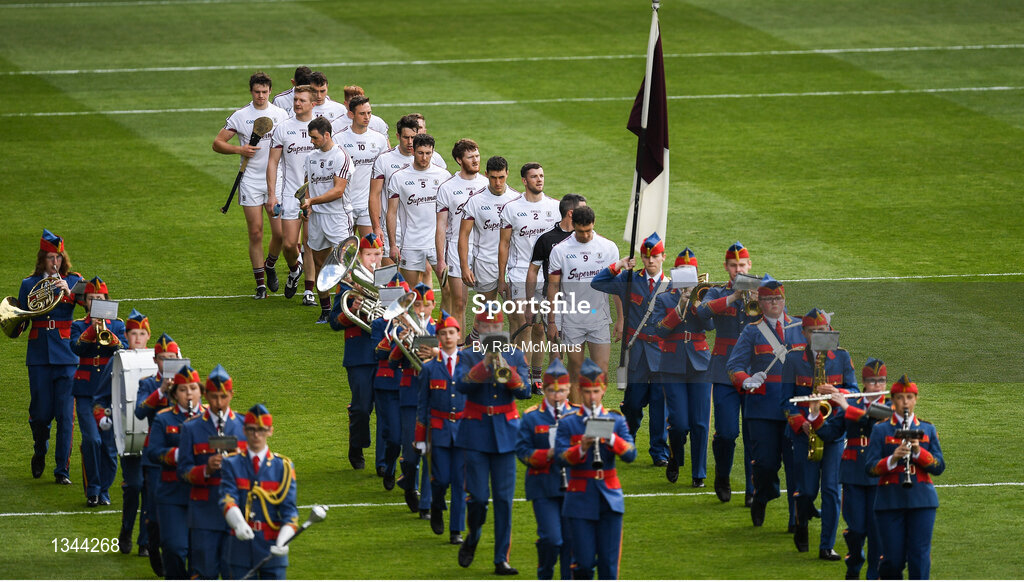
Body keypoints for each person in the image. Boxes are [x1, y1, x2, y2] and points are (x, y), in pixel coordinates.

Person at [454, 309, 531, 575]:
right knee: (477, 498)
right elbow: (461, 386)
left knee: (503, 500)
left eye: (496, 325)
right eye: (487, 327)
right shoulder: (467, 355)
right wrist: (484, 364)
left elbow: (525, 392)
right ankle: (473, 537)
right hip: (475, 432)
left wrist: (504, 368)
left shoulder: (514, 355)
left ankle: (501, 559)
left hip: (506, 434)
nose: (492, 330)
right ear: (478, 328)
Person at [726, 274, 805, 529]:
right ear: (760, 302)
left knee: (796, 466)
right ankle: (762, 495)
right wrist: (746, 380)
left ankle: (795, 519)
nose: (774, 303)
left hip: (794, 408)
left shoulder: (801, 328)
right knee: (765, 464)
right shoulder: (752, 331)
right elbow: (734, 365)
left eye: (778, 298)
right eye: (769, 299)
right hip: (763, 409)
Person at [781, 308, 858, 558]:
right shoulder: (793, 360)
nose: (818, 335)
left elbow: (854, 392)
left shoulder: (842, 357)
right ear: (804, 333)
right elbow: (785, 401)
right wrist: (800, 422)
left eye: (823, 331)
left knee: (832, 490)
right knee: (807, 490)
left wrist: (837, 392)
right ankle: (801, 524)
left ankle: (826, 546)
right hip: (805, 433)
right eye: (813, 332)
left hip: (833, 431)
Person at [555, 359, 636, 580]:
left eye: (596, 392)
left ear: (604, 391)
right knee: (583, 564)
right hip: (579, 499)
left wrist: (610, 438)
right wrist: (581, 447)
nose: (592, 398)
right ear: (580, 391)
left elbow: (630, 454)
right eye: (587, 392)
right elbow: (560, 458)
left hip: (610, 498)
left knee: (609, 566)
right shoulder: (568, 423)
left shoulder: (616, 421)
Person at [591, 233, 668, 465]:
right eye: (646, 257)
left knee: (659, 407)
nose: (650, 261)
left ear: (664, 257)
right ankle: (629, 436)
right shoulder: (629, 279)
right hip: (635, 355)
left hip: (662, 356)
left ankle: (659, 453)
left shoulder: (673, 285)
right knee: (633, 405)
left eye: (654, 256)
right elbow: (598, 283)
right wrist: (619, 265)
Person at [212, 71, 289, 299]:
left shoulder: (281, 115)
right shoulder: (240, 116)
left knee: (281, 234)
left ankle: (271, 265)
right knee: (255, 233)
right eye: (257, 92)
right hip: (250, 181)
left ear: (270, 91)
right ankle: (260, 285)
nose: (261, 96)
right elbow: (217, 143)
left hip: (277, 180)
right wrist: (240, 149)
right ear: (251, 91)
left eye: (265, 92)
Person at [16, 229, 83, 485]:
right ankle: (40, 449)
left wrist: (71, 292)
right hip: (40, 354)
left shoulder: (75, 279)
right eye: (50, 258)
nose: (54, 262)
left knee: (66, 415)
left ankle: (61, 470)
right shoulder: (28, 284)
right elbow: (21, 322)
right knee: (41, 412)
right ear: (42, 259)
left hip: (67, 355)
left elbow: (94, 304)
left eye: (58, 257)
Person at [864, 375, 944, 580]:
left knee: (919, 556)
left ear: (915, 399)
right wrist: (893, 459)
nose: (905, 402)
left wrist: (918, 453)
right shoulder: (881, 429)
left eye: (909, 397)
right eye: (900, 398)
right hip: (890, 500)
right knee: (892, 559)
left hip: (922, 500)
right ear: (893, 400)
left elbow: (939, 466)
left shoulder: (927, 429)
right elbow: (870, 468)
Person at [695, 241, 756, 504]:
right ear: (726, 267)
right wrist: (733, 297)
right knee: (727, 432)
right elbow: (701, 312)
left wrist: (758, 300)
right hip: (724, 373)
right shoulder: (718, 292)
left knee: (755, 434)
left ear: (749, 265)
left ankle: (753, 489)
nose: (738, 269)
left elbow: (782, 318)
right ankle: (722, 474)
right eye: (733, 266)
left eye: (742, 265)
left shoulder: (764, 290)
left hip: (755, 372)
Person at [178, 364, 248, 580]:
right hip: (204, 514)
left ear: (232, 395)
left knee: (234, 573)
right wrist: (206, 469)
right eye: (214, 397)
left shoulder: (246, 426)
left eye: (224, 397)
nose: (219, 403)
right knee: (204, 572)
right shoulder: (191, 428)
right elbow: (183, 470)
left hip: (237, 511)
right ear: (206, 394)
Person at [654, 248, 716, 487]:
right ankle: (675, 456)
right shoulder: (664, 298)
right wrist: (681, 304)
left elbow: (709, 326)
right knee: (679, 423)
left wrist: (698, 302)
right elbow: (659, 330)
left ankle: (698, 473)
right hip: (672, 364)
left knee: (700, 422)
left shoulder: (704, 295)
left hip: (700, 363)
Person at [547, 206, 622, 402]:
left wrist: (621, 319)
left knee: (601, 372)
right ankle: (577, 419)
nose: (586, 235)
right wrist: (552, 321)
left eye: (589, 230)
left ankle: (594, 414)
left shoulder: (608, 248)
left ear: (593, 224)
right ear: (573, 226)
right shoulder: (560, 251)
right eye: (581, 231)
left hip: (600, 319)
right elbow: (553, 288)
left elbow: (618, 287)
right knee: (575, 373)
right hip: (572, 321)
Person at [497, 162, 560, 387]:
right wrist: (501, 278)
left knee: (541, 329)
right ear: (524, 181)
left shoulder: (555, 207)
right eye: (534, 177)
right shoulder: (511, 208)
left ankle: (536, 378)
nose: (539, 180)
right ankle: (521, 378)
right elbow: (503, 245)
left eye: (541, 175)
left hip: (547, 276)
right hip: (520, 274)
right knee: (524, 324)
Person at [219, 404, 300, 580]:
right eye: (252, 430)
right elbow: (227, 498)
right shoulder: (231, 464)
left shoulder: (283, 467)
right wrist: (238, 523)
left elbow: (290, 512)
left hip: (273, 547)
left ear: (270, 431)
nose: (256, 435)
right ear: (244, 430)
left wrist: (284, 539)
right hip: (240, 548)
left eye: (261, 430)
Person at [516, 359, 576, 580]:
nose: (557, 396)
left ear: (569, 390)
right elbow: (522, 451)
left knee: (570, 544)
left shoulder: (579, 416)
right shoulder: (532, 417)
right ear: (544, 390)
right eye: (552, 391)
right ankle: (545, 572)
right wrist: (547, 454)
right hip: (543, 486)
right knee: (552, 539)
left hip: (574, 488)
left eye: (561, 391)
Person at [69, 277, 128, 506]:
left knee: (109, 447)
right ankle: (93, 490)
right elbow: (76, 348)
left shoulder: (118, 325)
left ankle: (104, 490)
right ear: (85, 303)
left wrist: (107, 332)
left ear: (107, 300)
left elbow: (123, 349)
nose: (95, 301)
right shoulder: (78, 325)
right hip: (85, 391)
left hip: (109, 390)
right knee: (92, 441)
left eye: (100, 298)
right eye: (92, 299)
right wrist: (92, 331)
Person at [329, 233, 385, 469]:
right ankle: (356, 445)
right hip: (359, 354)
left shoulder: (391, 279)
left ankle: (384, 462)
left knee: (385, 410)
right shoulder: (347, 283)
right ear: (360, 257)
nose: (373, 259)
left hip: (386, 353)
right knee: (362, 407)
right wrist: (350, 308)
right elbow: (334, 322)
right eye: (368, 255)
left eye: (377, 255)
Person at [830, 358, 888, 579]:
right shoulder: (852, 402)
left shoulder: (891, 406)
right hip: (853, 475)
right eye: (872, 381)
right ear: (863, 382)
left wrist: (845, 406)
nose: (877, 386)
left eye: (881, 381)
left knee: (876, 532)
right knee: (855, 530)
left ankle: (874, 574)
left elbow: (873, 419)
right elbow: (830, 433)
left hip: (879, 477)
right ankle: (853, 568)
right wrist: (815, 413)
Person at [145, 365, 205, 580]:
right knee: (174, 549)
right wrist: (180, 454)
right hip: (172, 494)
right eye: (182, 389)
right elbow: (153, 453)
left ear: (200, 391)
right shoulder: (164, 418)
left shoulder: (209, 417)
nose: (188, 393)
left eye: (193, 388)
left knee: (201, 554)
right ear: (174, 393)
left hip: (202, 494)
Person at [414, 310, 467, 545]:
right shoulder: (428, 369)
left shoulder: (469, 366)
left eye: (451, 333)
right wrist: (421, 439)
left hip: (464, 432)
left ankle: (456, 529)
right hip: (438, 430)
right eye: (443, 333)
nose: (447, 337)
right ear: (438, 337)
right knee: (441, 479)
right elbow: (422, 406)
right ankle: (436, 505)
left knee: (459, 481)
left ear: (458, 335)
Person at [368, 114, 447, 265]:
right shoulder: (384, 160)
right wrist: (376, 226)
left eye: (413, 137)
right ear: (398, 136)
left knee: (426, 276)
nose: (410, 142)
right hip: (392, 229)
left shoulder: (433, 157)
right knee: (392, 279)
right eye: (406, 137)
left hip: (425, 232)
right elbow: (374, 194)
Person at [134, 332, 182, 574]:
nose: (167, 361)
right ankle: (153, 547)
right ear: (155, 361)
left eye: (172, 357)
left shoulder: (187, 384)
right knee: (153, 508)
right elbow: (140, 412)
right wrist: (162, 391)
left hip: (183, 455)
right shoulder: (148, 383)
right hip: (155, 456)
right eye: (163, 358)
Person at [267, 84, 318, 306]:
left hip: (316, 195)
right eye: (295, 99)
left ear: (312, 104)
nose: (297, 103)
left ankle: (309, 291)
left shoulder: (323, 127)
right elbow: (273, 162)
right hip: (290, 194)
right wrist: (272, 194)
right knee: (289, 245)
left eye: (302, 100)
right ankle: (294, 269)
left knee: (309, 243)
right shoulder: (283, 128)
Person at [524, 193, 587, 372]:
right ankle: (556, 393)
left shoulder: (585, 238)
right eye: (583, 209)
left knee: (575, 351)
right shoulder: (546, 239)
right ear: (571, 213)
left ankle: (572, 393)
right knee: (556, 350)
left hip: (578, 302)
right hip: (554, 303)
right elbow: (532, 271)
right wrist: (530, 304)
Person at [300, 116, 354, 324]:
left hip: (338, 217)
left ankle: (349, 311)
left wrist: (311, 201)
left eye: (314, 138)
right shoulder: (310, 157)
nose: (311, 141)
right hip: (317, 219)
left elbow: (339, 190)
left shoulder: (341, 156)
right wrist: (305, 203)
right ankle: (325, 310)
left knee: (345, 265)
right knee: (320, 261)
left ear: (327, 135)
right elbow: (307, 185)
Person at [434, 138, 489, 340]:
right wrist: (441, 260)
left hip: (484, 250)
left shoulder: (487, 184)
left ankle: (475, 338)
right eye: (470, 157)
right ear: (459, 159)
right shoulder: (447, 187)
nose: (475, 160)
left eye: (477, 155)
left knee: (486, 304)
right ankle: (456, 354)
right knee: (459, 303)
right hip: (456, 249)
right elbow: (440, 225)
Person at [459, 156, 520, 335]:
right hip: (484, 264)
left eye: (501, 177)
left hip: (511, 266)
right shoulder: (475, 201)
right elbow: (463, 236)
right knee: (486, 315)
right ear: (486, 175)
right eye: (493, 177)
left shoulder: (516, 199)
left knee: (515, 316)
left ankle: (515, 360)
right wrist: (464, 267)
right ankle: (480, 349)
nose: (498, 182)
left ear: (507, 174)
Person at [111, 309, 153, 557]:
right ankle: (126, 530)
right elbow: (103, 398)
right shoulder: (118, 359)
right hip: (127, 436)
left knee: (149, 488)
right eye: (133, 334)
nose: (137, 338)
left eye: (142, 333)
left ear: (148, 336)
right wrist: (105, 417)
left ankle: (145, 542)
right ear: (126, 335)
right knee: (135, 486)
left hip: (153, 440)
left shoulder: (158, 363)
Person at [394, 283, 437, 519]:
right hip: (411, 396)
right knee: (411, 454)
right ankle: (409, 484)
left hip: (435, 397)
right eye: (417, 305)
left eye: (426, 305)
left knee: (430, 451)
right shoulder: (403, 327)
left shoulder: (441, 329)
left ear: (433, 306)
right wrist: (400, 344)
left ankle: (427, 504)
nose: (421, 310)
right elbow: (390, 361)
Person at [386, 133, 451, 287]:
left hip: (438, 244)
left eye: (428, 153)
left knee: (448, 291)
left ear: (433, 152)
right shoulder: (399, 177)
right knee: (411, 293)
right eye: (420, 153)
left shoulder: (443, 176)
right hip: (411, 244)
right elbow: (391, 212)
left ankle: (445, 313)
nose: (424, 157)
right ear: (413, 151)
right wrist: (393, 244)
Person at [370, 273, 411, 489]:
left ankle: (408, 477)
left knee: (411, 436)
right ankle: (386, 465)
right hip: (387, 383)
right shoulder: (380, 324)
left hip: (410, 385)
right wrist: (394, 336)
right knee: (391, 432)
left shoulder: (420, 324)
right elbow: (377, 353)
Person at [334, 95, 389, 237]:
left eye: (369, 113)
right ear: (351, 114)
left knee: (372, 249)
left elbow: (385, 171)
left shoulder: (379, 139)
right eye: (362, 113)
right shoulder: (339, 139)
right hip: (344, 205)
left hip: (368, 206)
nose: (367, 117)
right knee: (344, 253)